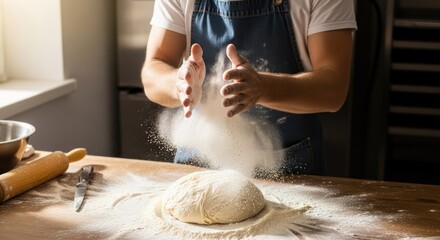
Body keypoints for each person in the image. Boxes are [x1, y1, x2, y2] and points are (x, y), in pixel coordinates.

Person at [141, 0, 357, 175]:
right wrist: (178, 84)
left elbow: (333, 89)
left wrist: (264, 88)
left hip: (291, 172)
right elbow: (152, 72)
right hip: (199, 165)